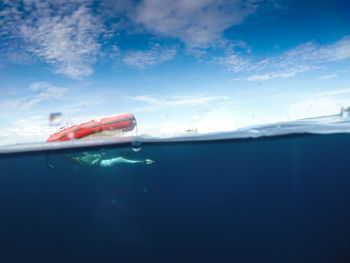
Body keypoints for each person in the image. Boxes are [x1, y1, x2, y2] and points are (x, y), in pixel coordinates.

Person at [63, 152, 154, 167]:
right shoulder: (120, 159)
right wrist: (145, 161)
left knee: (75, 160)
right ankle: (63, 154)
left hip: (98, 163)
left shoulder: (120, 159)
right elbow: (133, 162)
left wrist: (145, 161)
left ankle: (63, 154)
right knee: (75, 159)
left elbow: (132, 162)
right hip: (97, 163)